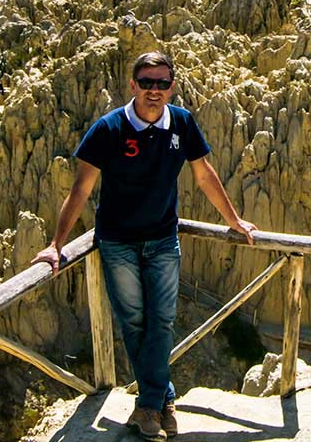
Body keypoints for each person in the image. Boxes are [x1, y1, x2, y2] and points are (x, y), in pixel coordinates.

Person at [31, 51, 258, 441]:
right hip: (117, 242)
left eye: (162, 83)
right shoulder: (108, 128)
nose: (155, 90)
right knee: (135, 321)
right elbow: (81, 189)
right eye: (147, 82)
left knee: (162, 321)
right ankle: (161, 401)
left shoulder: (182, 123)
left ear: (172, 87)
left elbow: (204, 175)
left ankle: (150, 406)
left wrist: (233, 220)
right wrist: (56, 244)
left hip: (162, 240)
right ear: (133, 85)